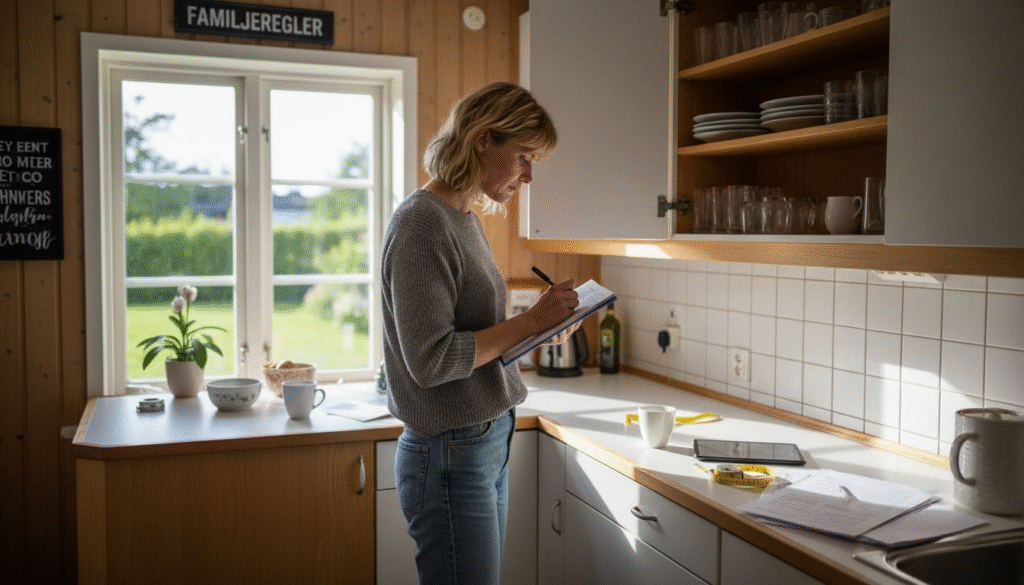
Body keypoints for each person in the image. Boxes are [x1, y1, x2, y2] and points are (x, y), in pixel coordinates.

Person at [381, 82, 578, 585]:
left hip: (482, 438)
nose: (529, 176)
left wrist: (537, 331)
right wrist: (531, 321)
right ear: (483, 140)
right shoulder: (422, 223)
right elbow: (431, 362)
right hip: (450, 450)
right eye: (525, 157)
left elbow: (477, 337)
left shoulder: (462, 217)